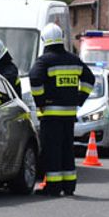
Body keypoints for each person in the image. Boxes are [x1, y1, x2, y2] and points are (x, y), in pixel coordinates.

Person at [28, 23, 94, 196]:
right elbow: (90, 78)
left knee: (52, 150)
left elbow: (34, 79)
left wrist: (40, 101)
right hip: (69, 114)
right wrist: (80, 98)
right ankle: (69, 186)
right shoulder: (74, 59)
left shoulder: (44, 61)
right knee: (67, 150)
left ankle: (54, 187)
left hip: (50, 114)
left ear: (45, 41)